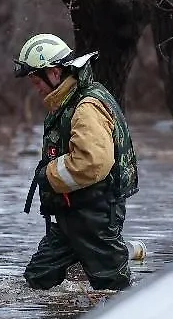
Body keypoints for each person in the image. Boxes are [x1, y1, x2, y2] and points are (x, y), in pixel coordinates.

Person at [14, 33, 139, 291]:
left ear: (55, 73)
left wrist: (49, 175)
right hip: (72, 214)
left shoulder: (86, 106)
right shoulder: (69, 102)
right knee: (38, 280)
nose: (35, 87)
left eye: (36, 79)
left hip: (95, 215)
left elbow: (92, 163)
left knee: (114, 289)